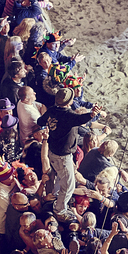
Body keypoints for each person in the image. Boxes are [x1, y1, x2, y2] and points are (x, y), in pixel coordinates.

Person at [37, 88, 103, 221]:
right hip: (62, 156)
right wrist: (92, 114)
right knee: (68, 185)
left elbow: (40, 121)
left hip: (53, 151)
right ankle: (59, 210)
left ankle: (59, 204)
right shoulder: (68, 115)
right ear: (70, 101)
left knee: (65, 179)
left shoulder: (52, 110)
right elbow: (81, 118)